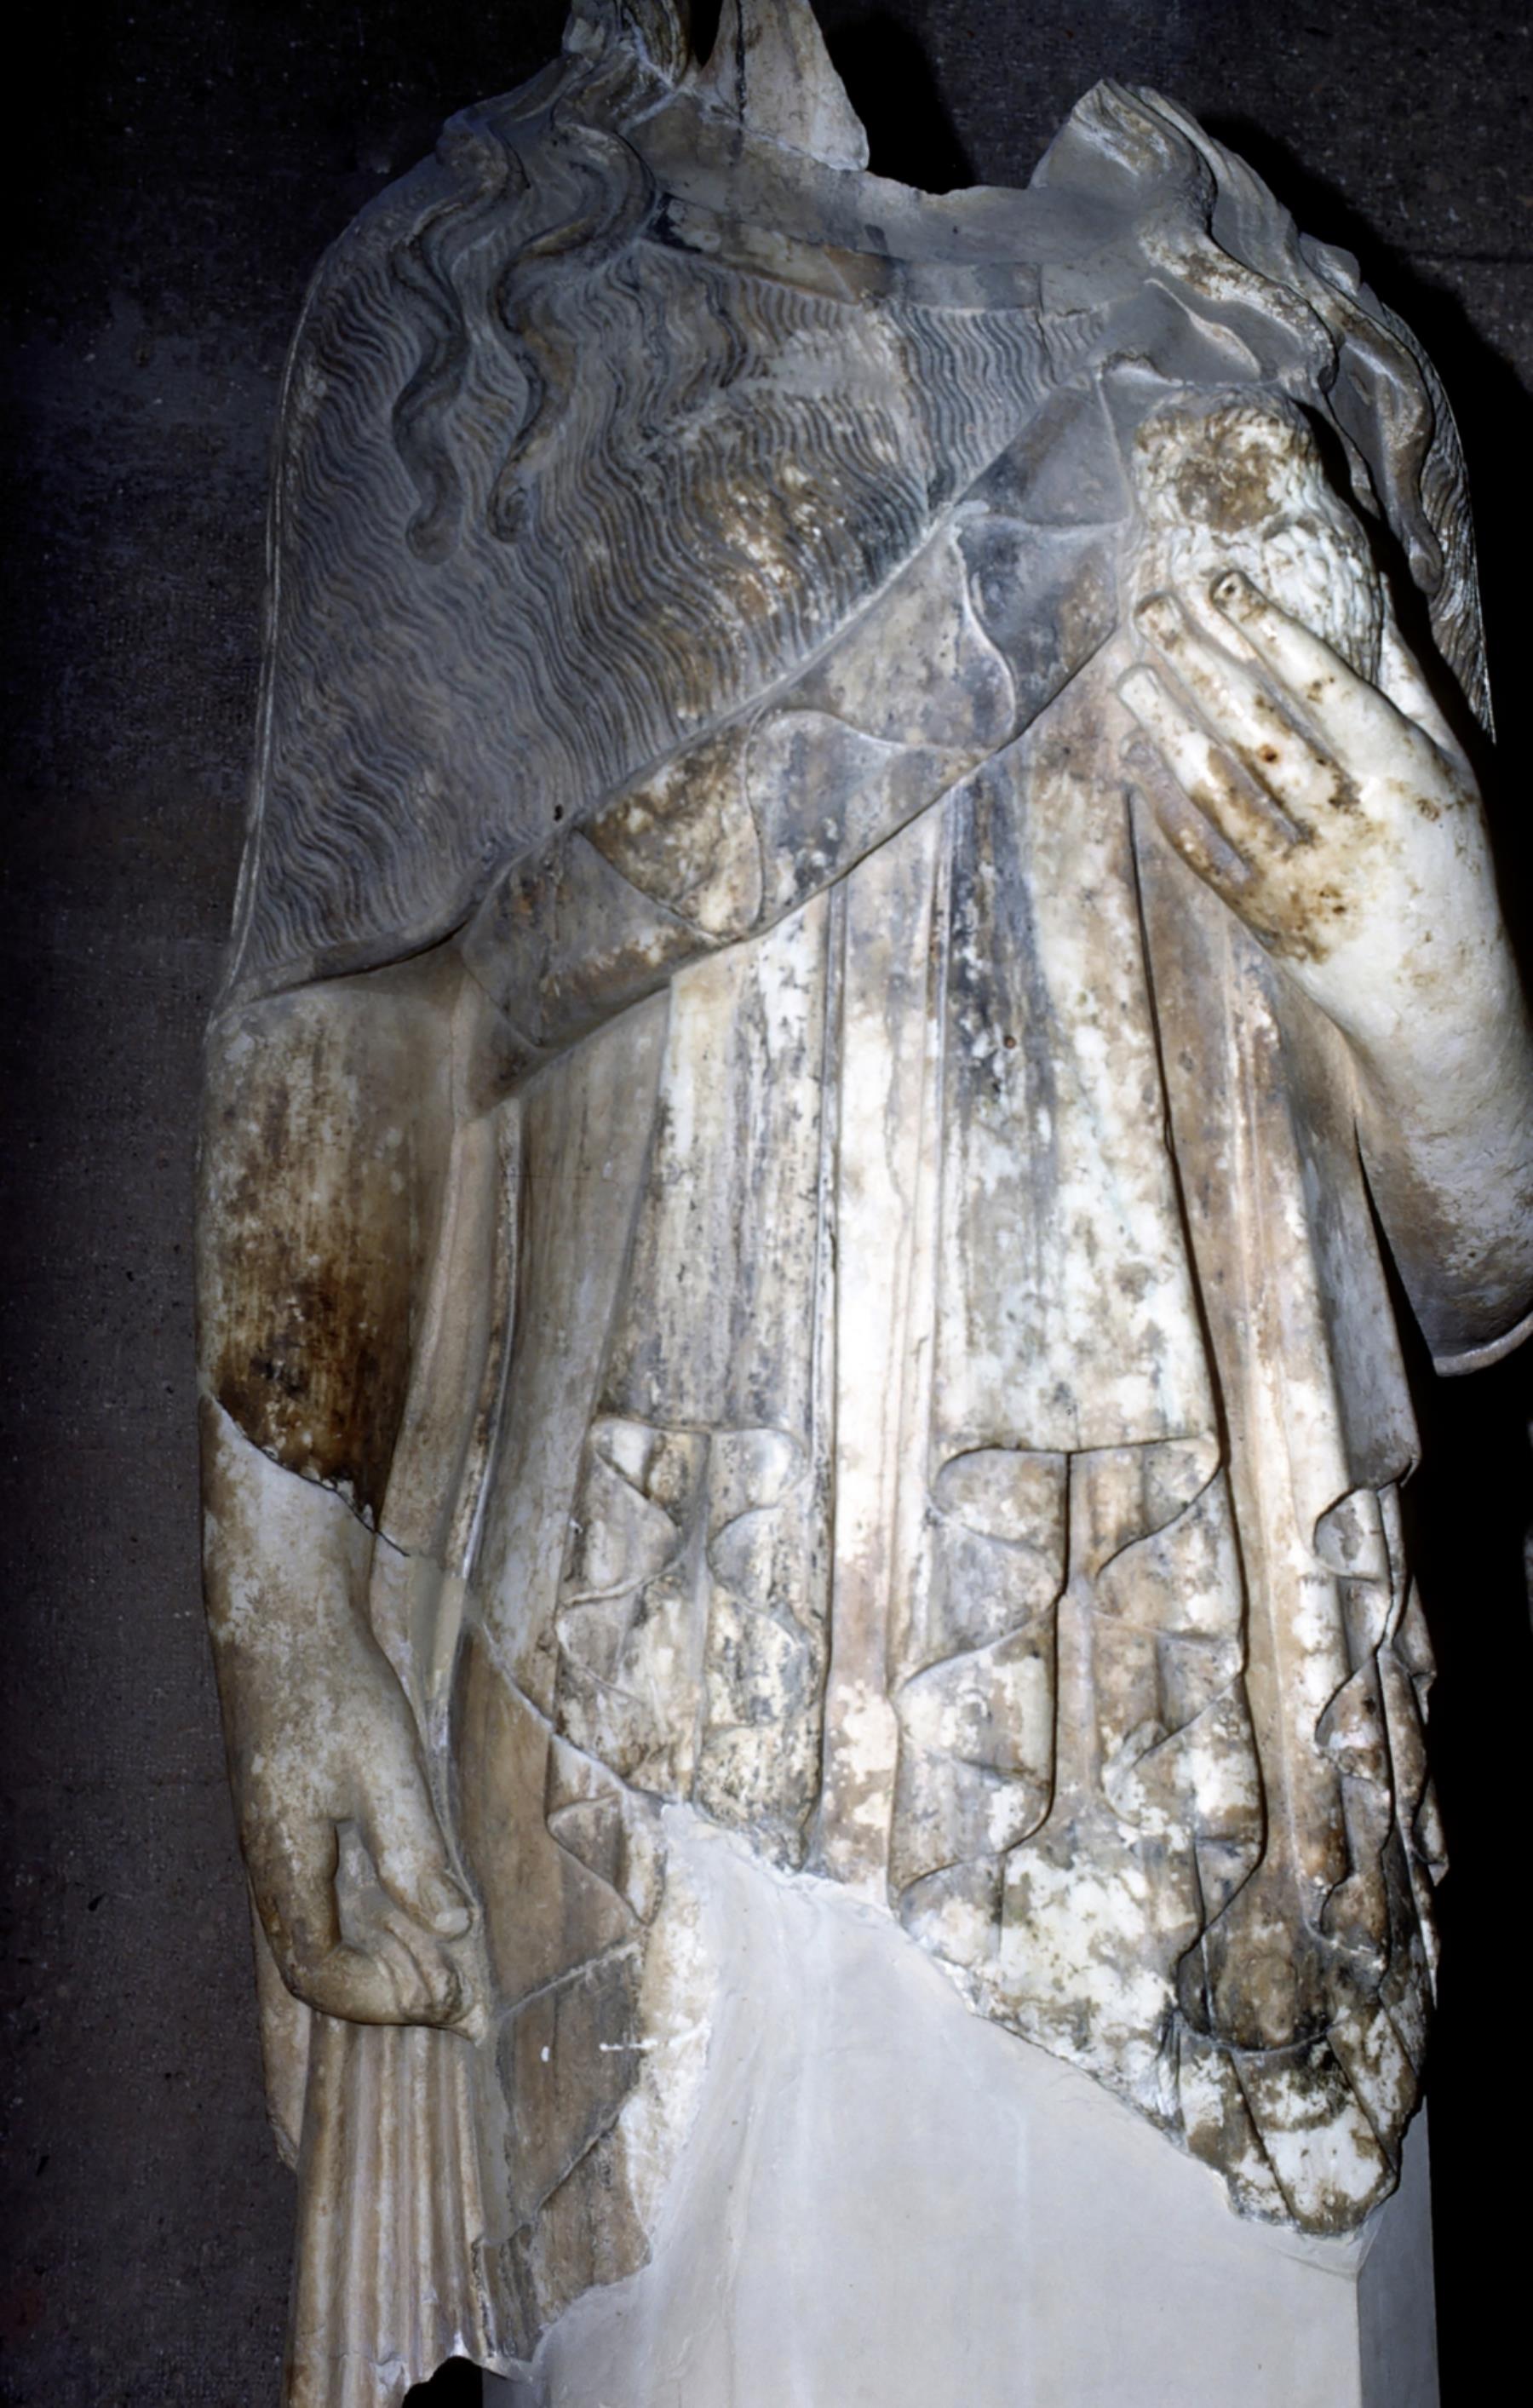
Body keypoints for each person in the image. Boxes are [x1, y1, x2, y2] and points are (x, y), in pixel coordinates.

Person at [197, 6, 1532, 2401]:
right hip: (705, 1614)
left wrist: (1447, 995)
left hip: (1255, 1707)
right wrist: (281, 1596)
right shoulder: (500, 283)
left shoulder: (1298, 321)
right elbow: (350, 989)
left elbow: (1484, 1279)